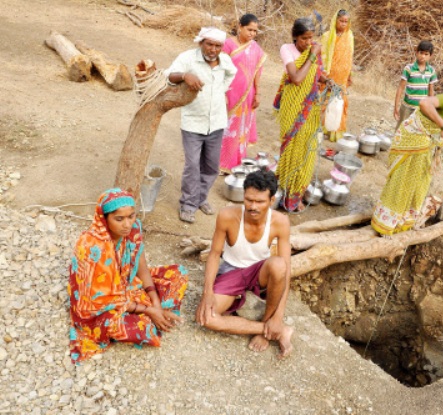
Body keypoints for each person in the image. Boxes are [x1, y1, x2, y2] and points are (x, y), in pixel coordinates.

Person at [68, 188, 188, 363]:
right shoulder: (93, 247)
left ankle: (157, 312)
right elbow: (98, 300)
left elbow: (141, 264)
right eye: (119, 219)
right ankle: (155, 315)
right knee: (143, 329)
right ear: (104, 218)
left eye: (131, 216)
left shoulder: (133, 229)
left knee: (179, 274)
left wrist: (154, 299)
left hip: (127, 286)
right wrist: (149, 310)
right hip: (101, 305)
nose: (127, 224)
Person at [196, 170, 294, 358]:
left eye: (260, 202)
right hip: (231, 271)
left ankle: (267, 325)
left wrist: (278, 316)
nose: (253, 206)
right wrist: (207, 293)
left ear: (271, 200)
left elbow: (286, 270)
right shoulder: (227, 215)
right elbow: (215, 254)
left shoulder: (280, 222)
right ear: (243, 196)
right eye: (249, 200)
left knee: (279, 265)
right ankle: (272, 330)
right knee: (206, 318)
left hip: (260, 272)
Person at [372, 77, 443, 235]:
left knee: (416, 183)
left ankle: (402, 221)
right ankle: (385, 222)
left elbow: (442, 138)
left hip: (424, 151)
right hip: (411, 142)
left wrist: (441, 143)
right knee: (402, 180)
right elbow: (424, 103)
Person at [166, 27, 237, 223]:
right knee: (192, 166)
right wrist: (184, 76)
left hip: (217, 122)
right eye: (209, 44)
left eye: (217, 46)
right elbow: (169, 75)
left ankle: (200, 198)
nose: (213, 49)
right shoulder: (189, 58)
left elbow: (232, 73)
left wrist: (222, 89)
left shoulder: (225, 62)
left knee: (211, 166)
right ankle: (188, 204)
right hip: (192, 124)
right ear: (201, 43)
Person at [274, 17, 328, 212]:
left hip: (310, 107)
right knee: (291, 150)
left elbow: (316, 73)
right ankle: (286, 194)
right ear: (295, 37)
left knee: (307, 148)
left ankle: (297, 192)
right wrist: (312, 56)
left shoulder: (313, 50)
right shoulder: (287, 50)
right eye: (304, 38)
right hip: (292, 107)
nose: (308, 42)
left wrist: (326, 79)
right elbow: (296, 78)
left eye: (311, 38)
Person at [219, 14, 267, 173]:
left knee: (241, 129)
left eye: (255, 31)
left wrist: (258, 93)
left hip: (247, 95)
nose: (252, 34)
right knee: (226, 127)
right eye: (249, 29)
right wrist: (223, 92)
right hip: (230, 94)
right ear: (240, 26)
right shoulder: (228, 45)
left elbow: (257, 73)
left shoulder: (256, 48)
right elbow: (220, 70)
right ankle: (220, 162)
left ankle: (236, 162)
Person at [320, 9, 354, 142]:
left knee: (340, 102)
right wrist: (324, 75)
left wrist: (350, 74)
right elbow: (322, 56)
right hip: (330, 75)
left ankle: (336, 131)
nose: (343, 24)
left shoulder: (350, 36)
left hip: (343, 76)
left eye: (346, 22)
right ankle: (323, 128)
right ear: (335, 20)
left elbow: (350, 56)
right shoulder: (328, 36)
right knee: (326, 101)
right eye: (341, 21)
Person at [394, 40, 438, 130]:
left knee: (416, 131)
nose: (423, 56)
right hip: (407, 107)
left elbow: (431, 91)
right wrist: (396, 107)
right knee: (401, 129)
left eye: (426, 54)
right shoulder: (409, 68)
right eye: (421, 53)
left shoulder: (431, 71)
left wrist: (431, 108)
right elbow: (400, 88)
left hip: (421, 109)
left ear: (430, 56)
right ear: (416, 52)